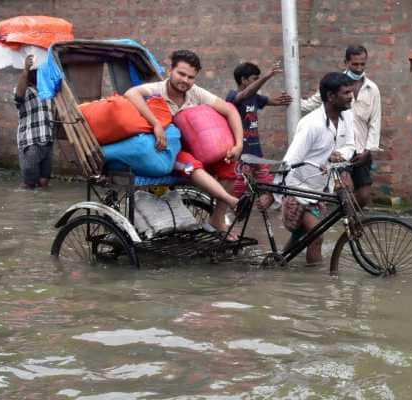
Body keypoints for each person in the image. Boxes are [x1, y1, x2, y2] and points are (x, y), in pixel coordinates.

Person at [124, 49, 246, 236]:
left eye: (191, 77)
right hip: (170, 152)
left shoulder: (195, 93)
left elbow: (230, 110)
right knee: (191, 166)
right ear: (170, 70)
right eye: (181, 74)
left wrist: (238, 145)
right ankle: (233, 202)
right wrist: (155, 123)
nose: (185, 80)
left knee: (229, 166)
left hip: (197, 147)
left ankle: (217, 218)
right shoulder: (157, 89)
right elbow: (131, 93)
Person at [282, 72, 356, 264]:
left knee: (301, 235)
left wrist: (341, 156)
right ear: (331, 97)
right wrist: (273, 195)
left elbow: (349, 145)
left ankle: (279, 262)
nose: (351, 96)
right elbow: (290, 161)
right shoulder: (311, 125)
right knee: (316, 237)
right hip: (298, 189)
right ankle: (315, 287)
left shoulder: (346, 117)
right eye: (346, 93)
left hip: (319, 189)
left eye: (351, 91)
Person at [301, 45, 381, 207]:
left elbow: (375, 121)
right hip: (340, 149)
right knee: (345, 190)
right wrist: (290, 101)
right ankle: (346, 221)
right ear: (346, 63)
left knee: (364, 196)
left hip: (361, 150)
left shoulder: (372, 89)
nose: (359, 68)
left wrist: (368, 149)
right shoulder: (335, 84)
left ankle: (349, 225)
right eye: (355, 64)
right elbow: (311, 104)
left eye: (362, 64)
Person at [226, 61, 292, 209]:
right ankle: (228, 217)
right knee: (237, 189)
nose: (257, 82)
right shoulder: (233, 96)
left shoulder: (255, 98)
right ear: (243, 80)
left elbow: (272, 101)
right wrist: (267, 76)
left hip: (256, 153)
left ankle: (262, 208)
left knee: (268, 184)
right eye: (254, 79)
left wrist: (287, 99)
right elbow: (245, 94)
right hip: (241, 154)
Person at [15, 55, 54, 189]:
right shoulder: (24, 91)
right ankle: (25, 206)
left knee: (44, 182)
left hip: (47, 140)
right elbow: (18, 95)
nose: (38, 74)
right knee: (29, 183)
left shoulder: (47, 91)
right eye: (35, 71)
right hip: (30, 142)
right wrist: (26, 69)